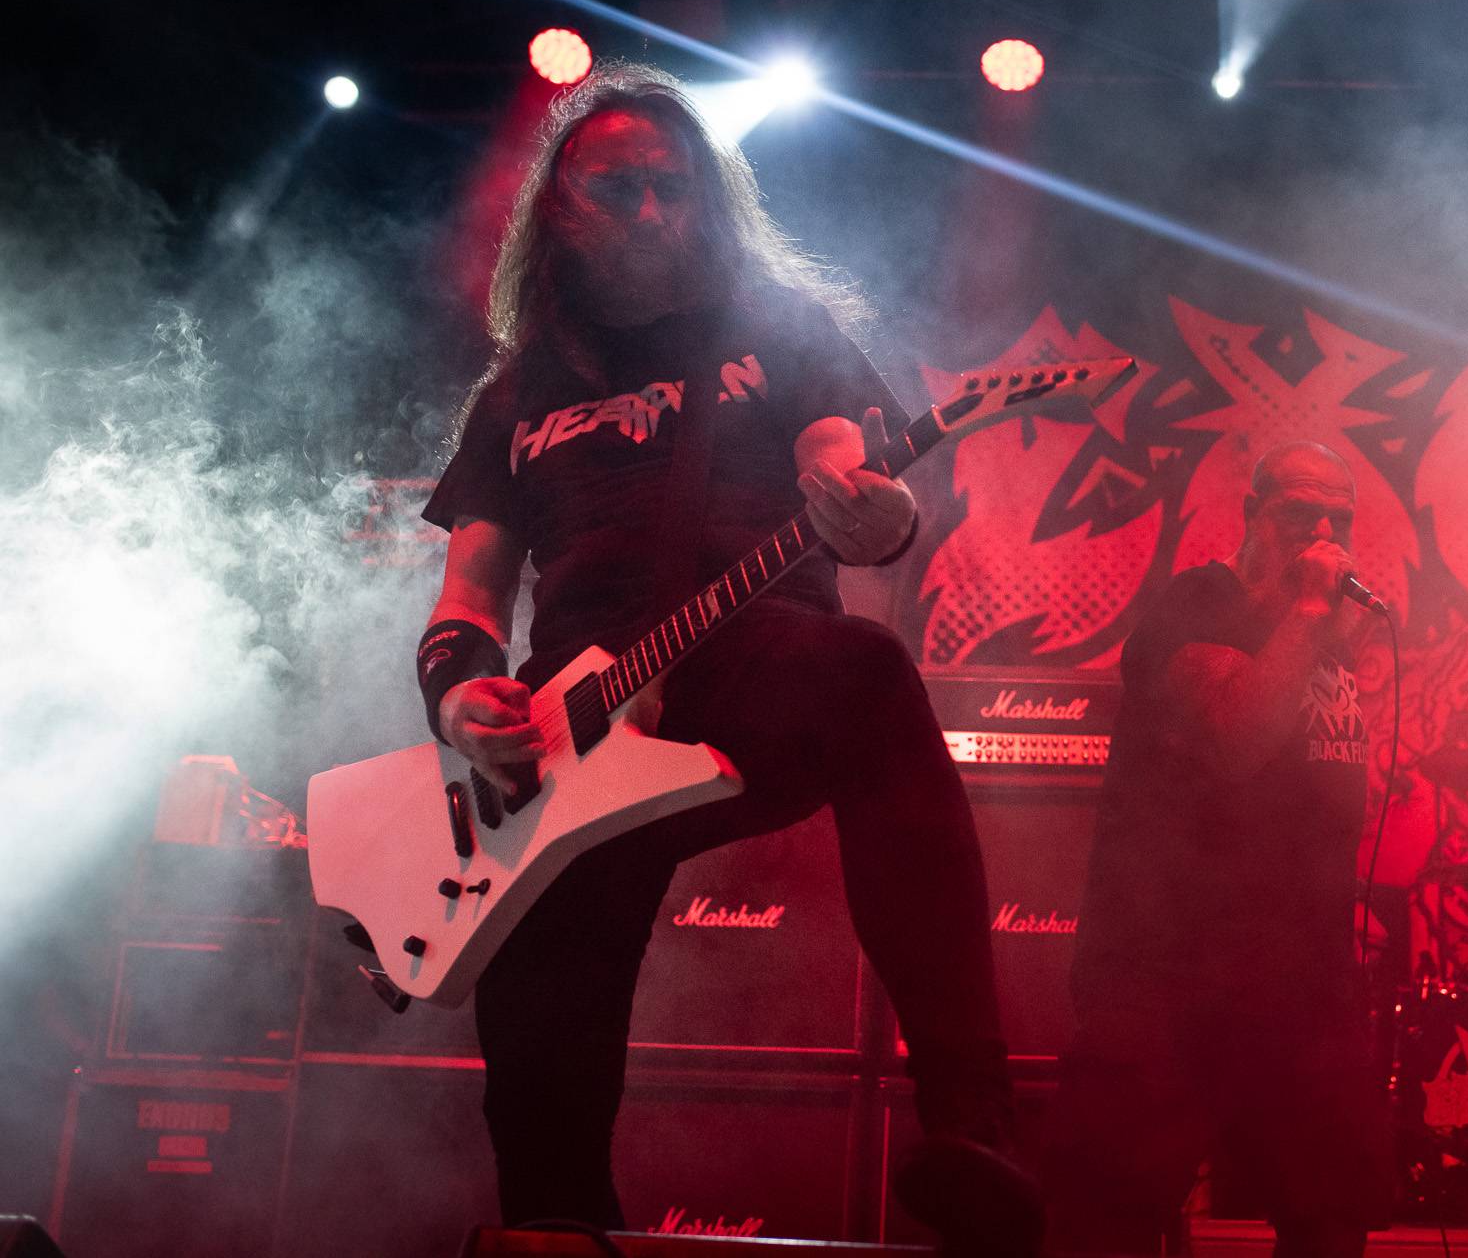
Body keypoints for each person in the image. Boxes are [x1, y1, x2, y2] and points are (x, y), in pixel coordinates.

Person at [413, 62, 1038, 1254]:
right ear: (558, 207)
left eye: (675, 186)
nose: (653, 209)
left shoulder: (777, 328)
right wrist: (458, 706)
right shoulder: (512, 396)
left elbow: (842, 464)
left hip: (753, 656)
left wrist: (866, 511)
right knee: (540, 999)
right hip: (572, 725)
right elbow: (469, 596)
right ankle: (557, 1220)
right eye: (620, 187)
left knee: (866, 675)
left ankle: (973, 1124)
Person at [1043, 441, 1393, 1258]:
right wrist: (1309, 614)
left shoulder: (1323, 636)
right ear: (1251, 513)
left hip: (1303, 988)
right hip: (1169, 978)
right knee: (1106, 1220)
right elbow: (1235, 739)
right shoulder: (1196, 604)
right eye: (1298, 514)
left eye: (1337, 519)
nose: (1321, 535)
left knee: (1333, 1218)